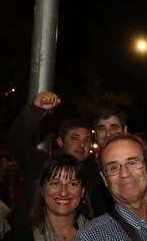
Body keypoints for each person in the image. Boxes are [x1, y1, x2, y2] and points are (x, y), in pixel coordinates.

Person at [8, 90, 109, 227]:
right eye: (75, 138)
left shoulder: (95, 175)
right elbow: (17, 140)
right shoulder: (39, 164)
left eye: (87, 140)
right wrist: (35, 110)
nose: (82, 145)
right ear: (60, 142)